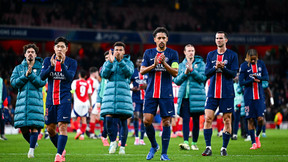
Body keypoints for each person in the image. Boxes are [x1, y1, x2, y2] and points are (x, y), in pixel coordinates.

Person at [140, 27, 179, 161]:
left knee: (166, 122)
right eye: (159, 38)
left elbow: (175, 72)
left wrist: (164, 63)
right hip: (151, 92)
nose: (161, 40)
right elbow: (142, 70)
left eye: (164, 38)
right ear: (155, 39)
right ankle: (154, 145)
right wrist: (154, 64)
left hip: (166, 93)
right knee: (146, 121)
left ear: (167, 39)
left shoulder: (173, 54)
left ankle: (164, 153)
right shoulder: (148, 53)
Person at [40, 37, 77, 162]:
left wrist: (61, 64)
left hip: (64, 98)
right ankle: (61, 149)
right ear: (54, 48)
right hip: (50, 99)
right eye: (58, 46)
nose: (60, 49)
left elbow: (69, 77)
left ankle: (59, 155)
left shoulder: (72, 62)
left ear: (66, 49)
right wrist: (51, 66)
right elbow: (41, 76)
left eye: (62, 46)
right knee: (50, 129)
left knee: (62, 126)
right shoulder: (47, 60)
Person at [202, 31, 238, 156]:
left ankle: (224, 148)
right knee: (208, 118)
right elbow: (206, 73)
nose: (218, 40)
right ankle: (208, 147)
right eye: (217, 38)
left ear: (226, 40)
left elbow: (233, 74)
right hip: (212, 92)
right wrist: (215, 68)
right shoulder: (211, 55)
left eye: (221, 38)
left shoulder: (232, 55)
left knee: (227, 120)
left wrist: (223, 68)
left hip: (227, 93)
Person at [10, 43, 46, 158]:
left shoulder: (41, 68)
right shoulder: (18, 68)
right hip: (22, 102)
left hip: (36, 101)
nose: (30, 53)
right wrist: (25, 75)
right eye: (28, 52)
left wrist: (31, 75)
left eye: (32, 52)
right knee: (24, 128)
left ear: (36, 54)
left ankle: (31, 151)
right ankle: (33, 143)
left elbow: (42, 82)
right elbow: (14, 83)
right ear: (25, 54)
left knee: (34, 125)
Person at [100, 41, 134, 154]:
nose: (118, 52)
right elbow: (104, 75)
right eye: (116, 50)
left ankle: (122, 147)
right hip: (110, 96)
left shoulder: (128, 62)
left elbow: (129, 73)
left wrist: (120, 62)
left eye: (120, 50)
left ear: (124, 52)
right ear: (113, 51)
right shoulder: (108, 61)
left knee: (123, 121)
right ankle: (113, 141)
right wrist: (110, 63)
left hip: (123, 95)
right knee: (108, 119)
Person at [174, 44, 206, 151]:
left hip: (196, 97)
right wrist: (185, 73)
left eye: (192, 50)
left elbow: (203, 78)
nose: (191, 52)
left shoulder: (201, 64)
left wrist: (192, 70)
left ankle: (194, 143)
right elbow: (177, 81)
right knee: (186, 120)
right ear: (184, 52)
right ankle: (186, 142)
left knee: (196, 120)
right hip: (185, 97)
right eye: (189, 51)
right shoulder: (181, 65)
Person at [239, 49, 269, 150]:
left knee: (260, 119)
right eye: (251, 59)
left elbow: (267, 77)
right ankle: (253, 143)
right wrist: (251, 80)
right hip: (248, 97)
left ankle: (257, 136)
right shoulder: (243, 66)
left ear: (257, 57)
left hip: (259, 96)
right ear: (247, 57)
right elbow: (241, 82)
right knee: (250, 119)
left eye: (254, 59)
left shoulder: (261, 64)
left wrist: (259, 78)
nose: (252, 61)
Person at [71, 70, 92, 140]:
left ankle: (78, 130)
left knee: (74, 117)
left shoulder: (75, 82)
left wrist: (72, 99)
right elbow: (89, 95)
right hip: (86, 103)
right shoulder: (87, 83)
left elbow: (73, 91)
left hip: (77, 102)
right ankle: (82, 135)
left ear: (79, 75)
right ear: (85, 76)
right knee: (84, 119)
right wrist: (91, 105)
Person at [130, 57, 147, 145]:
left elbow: (152, 83)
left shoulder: (147, 72)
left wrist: (147, 86)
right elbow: (128, 82)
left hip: (145, 99)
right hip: (136, 99)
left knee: (144, 118)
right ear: (136, 63)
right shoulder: (133, 72)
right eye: (138, 62)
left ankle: (142, 139)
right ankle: (136, 137)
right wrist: (131, 89)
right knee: (136, 116)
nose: (140, 63)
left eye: (141, 62)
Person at [98, 51, 110, 146]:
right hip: (104, 98)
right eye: (105, 58)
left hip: (113, 97)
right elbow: (101, 86)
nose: (107, 59)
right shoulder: (103, 69)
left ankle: (113, 137)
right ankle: (104, 136)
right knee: (106, 119)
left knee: (115, 119)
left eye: (108, 57)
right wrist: (99, 100)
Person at [86, 67, 100, 139]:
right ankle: (92, 133)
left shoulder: (87, 80)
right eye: (97, 73)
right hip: (93, 101)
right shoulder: (95, 81)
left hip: (87, 101)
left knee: (94, 116)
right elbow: (99, 91)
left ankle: (88, 130)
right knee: (93, 117)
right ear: (94, 73)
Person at [231, 73, 244, 140]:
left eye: (238, 76)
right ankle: (231, 133)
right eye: (236, 76)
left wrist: (239, 104)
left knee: (236, 121)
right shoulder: (232, 85)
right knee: (232, 120)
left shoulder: (240, 86)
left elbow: (240, 96)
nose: (236, 77)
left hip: (239, 105)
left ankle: (235, 134)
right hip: (233, 105)